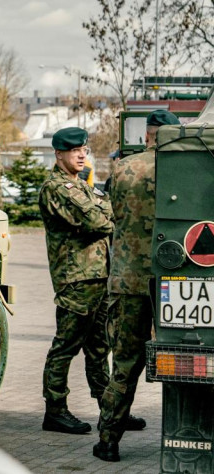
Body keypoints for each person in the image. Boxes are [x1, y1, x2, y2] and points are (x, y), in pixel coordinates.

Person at [93, 110, 179, 462]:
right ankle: (184, 435)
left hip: (128, 280)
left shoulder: (122, 169)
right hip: (174, 281)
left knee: (125, 363)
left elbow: (109, 213)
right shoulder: (183, 169)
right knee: (185, 360)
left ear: (146, 135)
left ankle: (109, 441)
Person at [38, 127, 114, 434]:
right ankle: (55, 410)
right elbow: (97, 220)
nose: (82, 155)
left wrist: (105, 211)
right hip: (76, 280)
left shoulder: (81, 186)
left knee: (99, 348)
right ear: (59, 154)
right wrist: (105, 213)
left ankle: (109, 410)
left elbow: (108, 209)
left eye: (84, 150)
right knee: (65, 346)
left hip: (97, 277)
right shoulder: (56, 188)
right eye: (75, 151)